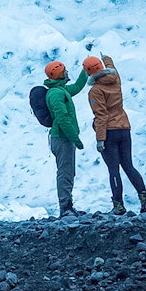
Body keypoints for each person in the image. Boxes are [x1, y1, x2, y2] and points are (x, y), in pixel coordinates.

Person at [84, 55, 146, 214]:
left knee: (113, 169)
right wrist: (106, 58)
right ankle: (145, 199)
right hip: (124, 128)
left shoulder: (95, 90)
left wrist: (100, 139)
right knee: (128, 166)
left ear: (88, 72)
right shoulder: (115, 79)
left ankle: (118, 205)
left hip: (109, 132)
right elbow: (112, 67)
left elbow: (101, 116)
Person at [44, 60, 88, 217]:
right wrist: (75, 138)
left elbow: (76, 87)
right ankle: (65, 208)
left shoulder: (60, 90)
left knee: (68, 171)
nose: (67, 72)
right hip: (62, 138)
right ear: (59, 73)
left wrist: (86, 70)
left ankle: (68, 207)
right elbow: (62, 118)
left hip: (62, 137)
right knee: (65, 173)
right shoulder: (56, 93)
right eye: (65, 70)